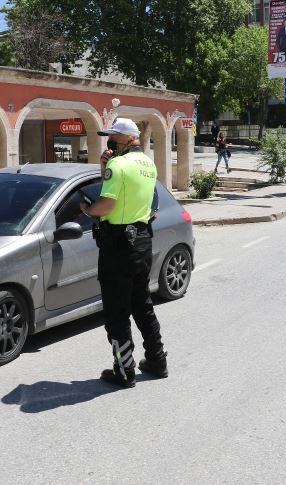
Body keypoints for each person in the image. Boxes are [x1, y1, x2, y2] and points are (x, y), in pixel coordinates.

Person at [80, 118, 167, 388]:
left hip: (117, 244)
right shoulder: (148, 163)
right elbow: (145, 201)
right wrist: (105, 165)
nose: (110, 143)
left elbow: (106, 204)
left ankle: (124, 370)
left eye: (114, 138)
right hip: (141, 241)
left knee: (117, 311)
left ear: (129, 139)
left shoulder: (118, 165)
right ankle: (157, 360)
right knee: (142, 304)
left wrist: (86, 210)